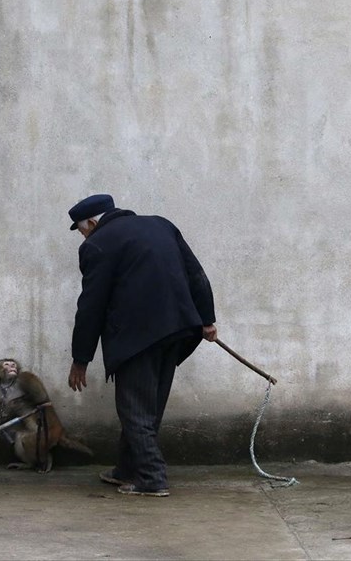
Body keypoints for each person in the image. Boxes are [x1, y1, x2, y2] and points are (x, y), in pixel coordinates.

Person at [65, 193, 217, 497]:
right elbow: (196, 273)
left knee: (135, 411)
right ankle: (127, 468)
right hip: (178, 330)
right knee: (147, 408)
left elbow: (91, 306)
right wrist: (207, 319)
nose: (82, 237)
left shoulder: (96, 244)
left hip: (137, 338)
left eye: (81, 230)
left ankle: (151, 478)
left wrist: (81, 359)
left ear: (92, 223)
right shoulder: (162, 225)